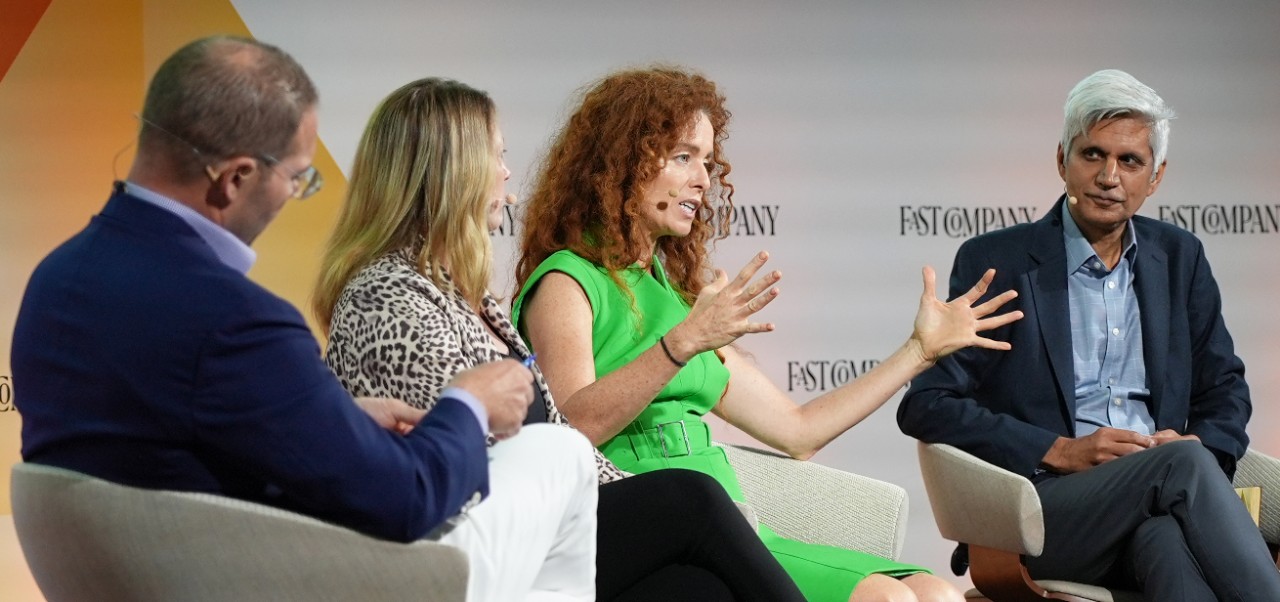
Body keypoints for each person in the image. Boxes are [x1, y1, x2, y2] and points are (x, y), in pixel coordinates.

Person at [11, 36, 601, 602]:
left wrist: (332, 418)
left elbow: (184, 436)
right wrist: (467, 406)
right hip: (291, 579)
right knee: (558, 453)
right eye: (298, 178)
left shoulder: (56, 281)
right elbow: (406, 498)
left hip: (171, 569)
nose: (294, 194)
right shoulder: (234, 319)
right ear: (237, 177)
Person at [511, 67, 1022, 602]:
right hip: (651, 526)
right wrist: (681, 344)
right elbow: (569, 430)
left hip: (735, 527)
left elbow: (797, 431)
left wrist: (917, 352)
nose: (704, 180)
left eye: (707, 162)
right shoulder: (569, 280)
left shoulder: (678, 296)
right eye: (683, 156)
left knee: (936, 592)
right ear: (622, 162)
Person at [314, 77, 806, 602]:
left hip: (543, 529)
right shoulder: (386, 297)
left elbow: (550, 434)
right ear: (447, 171)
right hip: (474, 550)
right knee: (692, 499)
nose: (508, 175)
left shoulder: (462, 297)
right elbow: (464, 452)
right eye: (495, 156)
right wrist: (641, 496)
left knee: (698, 589)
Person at [897, 69, 1280, 601]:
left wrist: (1202, 449)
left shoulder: (1179, 258)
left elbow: (1225, 388)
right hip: (1045, 511)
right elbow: (927, 405)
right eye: (1092, 155)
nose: (1109, 176)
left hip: (1161, 501)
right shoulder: (998, 262)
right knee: (1180, 468)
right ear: (1062, 160)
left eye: (1130, 161)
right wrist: (1058, 449)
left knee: (1166, 540)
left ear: (1156, 176)